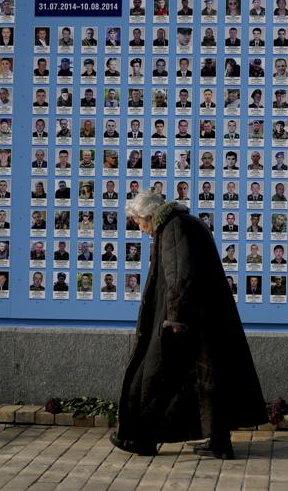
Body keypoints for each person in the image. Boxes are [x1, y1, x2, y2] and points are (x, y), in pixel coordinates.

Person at [113, 191, 266, 460]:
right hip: (205, 319)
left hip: (186, 321)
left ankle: (143, 439)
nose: (140, 228)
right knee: (208, 381)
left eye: (138, 222)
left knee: (155, 378)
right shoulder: (183, 223)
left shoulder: (173, 228)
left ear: (149, 216)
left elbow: (178, 277)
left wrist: (174, 318)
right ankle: (219, 442)